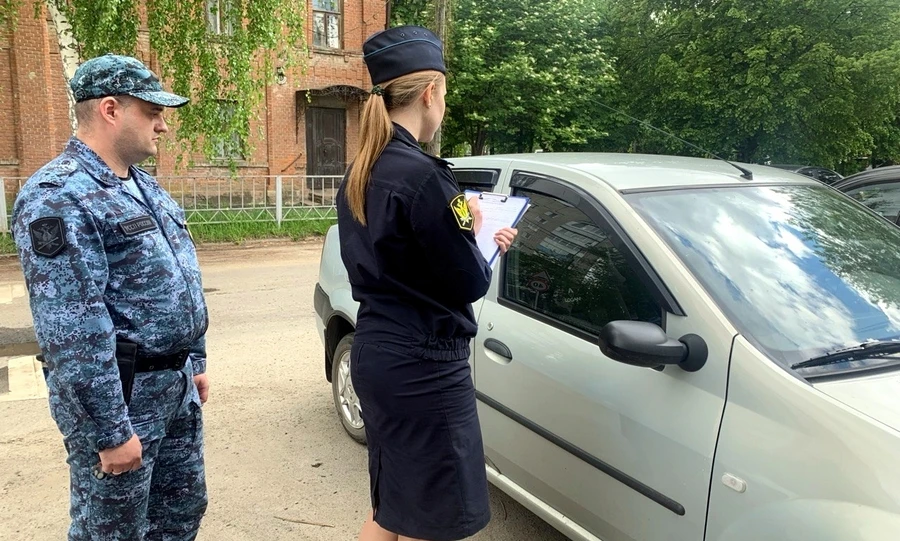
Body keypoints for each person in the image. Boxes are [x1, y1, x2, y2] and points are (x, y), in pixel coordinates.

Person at [11, 53, 210, 541]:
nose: (163, 126)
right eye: (153, 112)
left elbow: (178, 278)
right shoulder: (58, 195)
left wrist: (195, 359)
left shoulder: (142, 186)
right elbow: (72, 329)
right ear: (110, 109)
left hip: (174, 387)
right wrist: (110, 431)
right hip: (123, 399)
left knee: (179, 515)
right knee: (112, 531)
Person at [336, 26, 518, 541]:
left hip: (379, 353)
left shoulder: (362, 169)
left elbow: (399, 263)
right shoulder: (426, 176)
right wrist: (477, 236)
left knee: (392, 507)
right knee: (430, 521)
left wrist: (466, 235)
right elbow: (467, 281)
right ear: (430, 92)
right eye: (445, 94)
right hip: (425, 368)